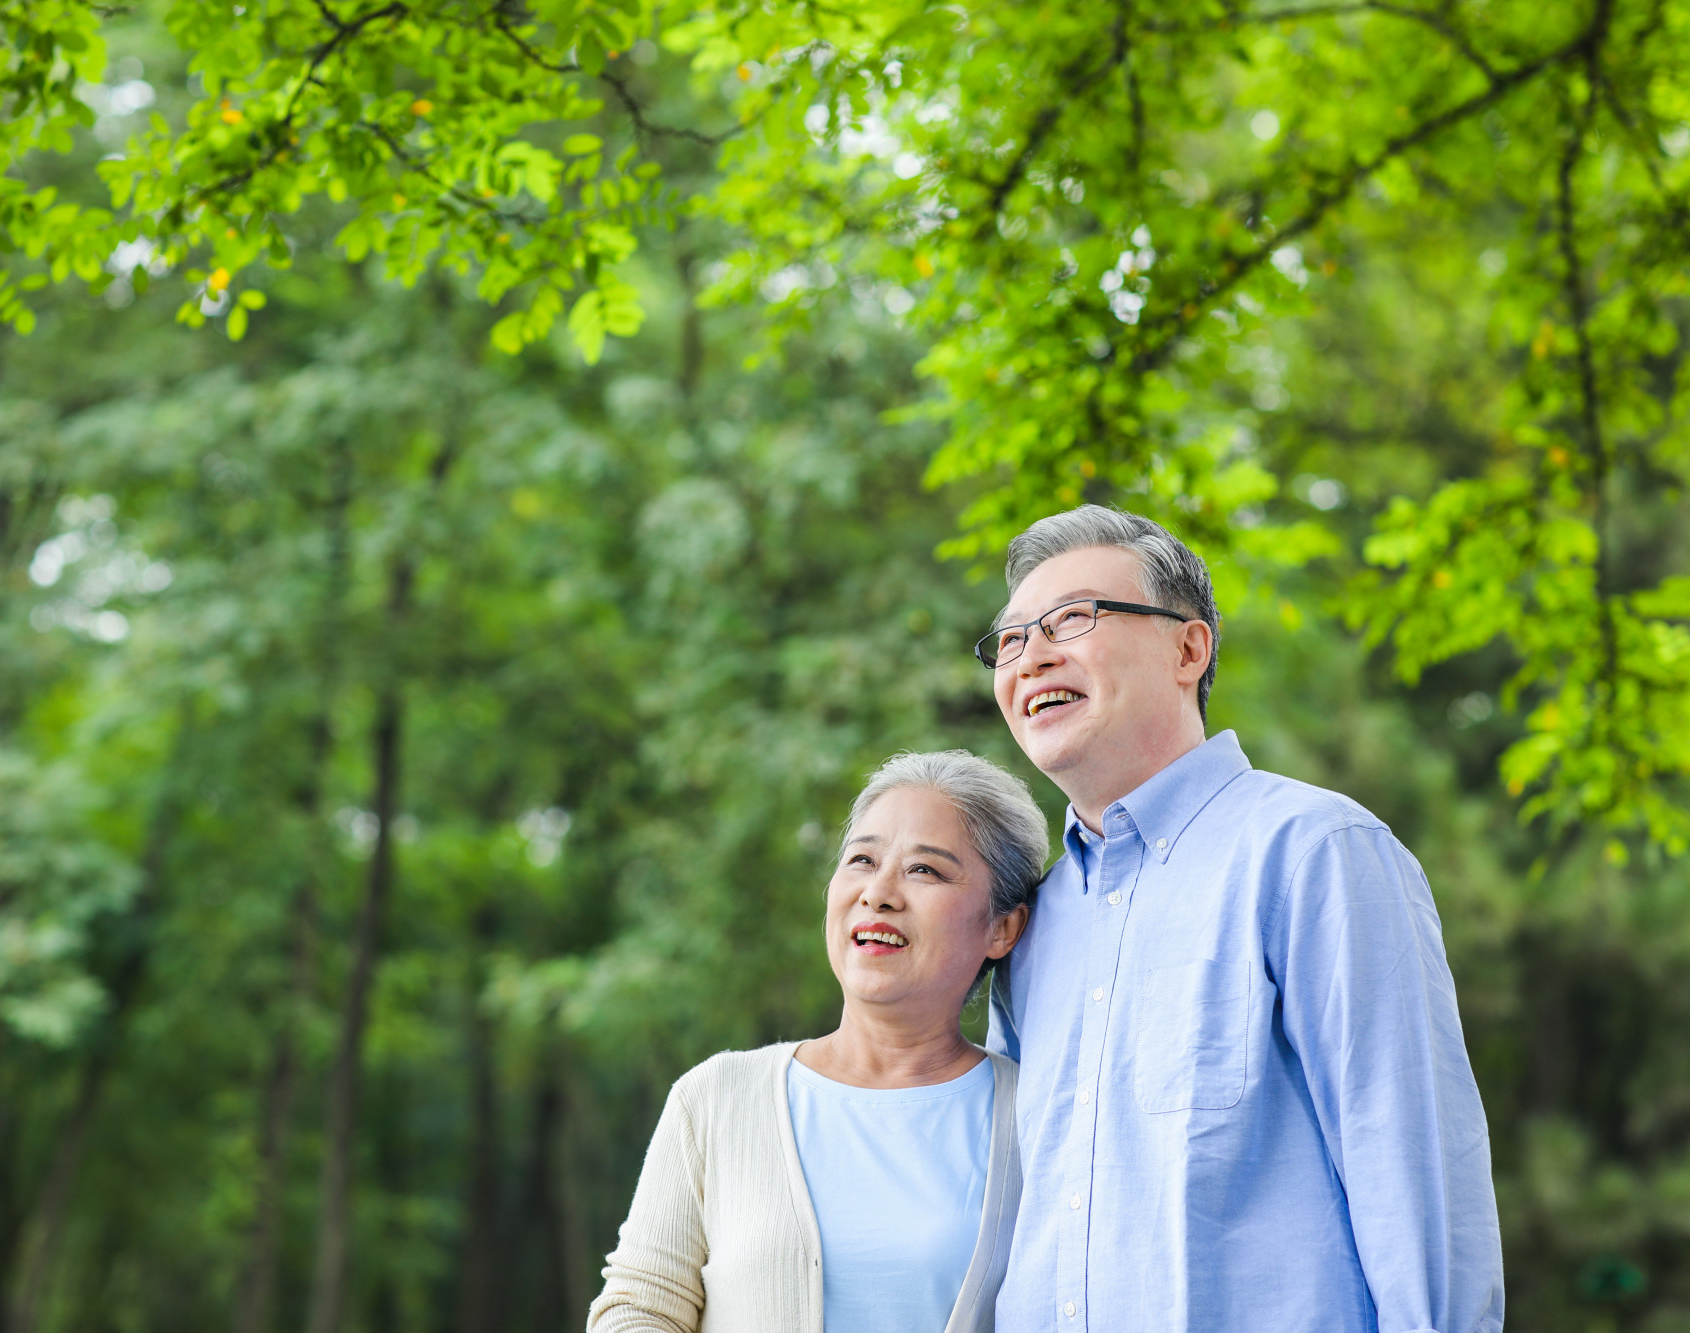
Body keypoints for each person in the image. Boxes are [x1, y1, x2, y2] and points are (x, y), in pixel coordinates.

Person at [974, 505, 1502, 1333]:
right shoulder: (1028, 925)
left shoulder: (1315, 852)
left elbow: (1412, 1172)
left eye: (1072, 618)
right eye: (1010, 640)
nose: (1032, 654)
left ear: (1189, 648)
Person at [589, 751, 1050, 1333]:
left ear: (1002, 928)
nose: (879, 893)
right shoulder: (715, 1098)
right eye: (862, 859)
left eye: (925, 870)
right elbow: (637, 1310)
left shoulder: (1039, 1117)